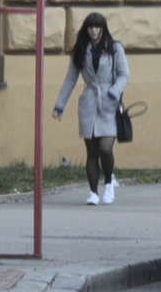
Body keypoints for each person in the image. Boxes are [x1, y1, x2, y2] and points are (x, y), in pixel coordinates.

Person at [53, 12, 129, 206]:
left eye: (98, 27)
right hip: (88, 103)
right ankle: (93, 192)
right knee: (92, 152)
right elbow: (71, 78)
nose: (94, 31)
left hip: (109, 103)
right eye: (91, 27)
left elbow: (124, 74)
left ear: (103, 29)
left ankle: (109, 181)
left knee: (105, 148)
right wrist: (59, 106)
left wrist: (114, 90)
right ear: (86, 29)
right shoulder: (80, 50)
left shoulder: (114, 48)